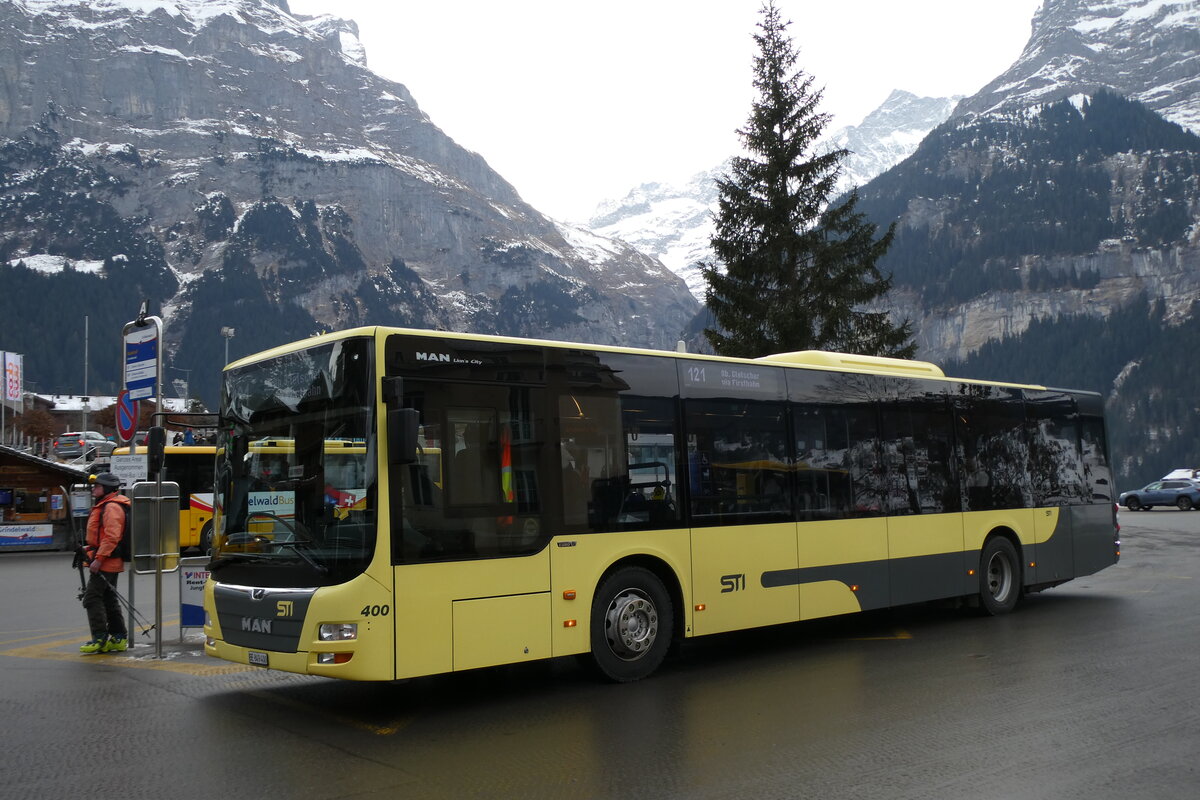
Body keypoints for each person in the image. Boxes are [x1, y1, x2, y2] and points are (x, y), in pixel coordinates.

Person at [79, 473, 131, 654]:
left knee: (92, 598)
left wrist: (99, 559)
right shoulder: (105, 505)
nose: (94, 489)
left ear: (107, 488)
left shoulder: (111, 507)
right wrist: (89, 549)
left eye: (97, 486)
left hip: (106, 561)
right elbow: (101, 536)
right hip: (105, 558)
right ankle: (118, 637)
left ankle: (100, 638)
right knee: (109, 598)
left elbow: (111, 536)